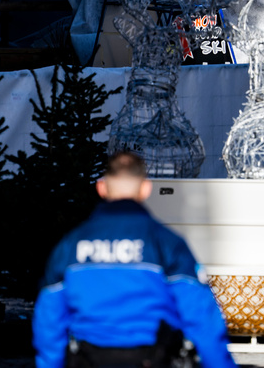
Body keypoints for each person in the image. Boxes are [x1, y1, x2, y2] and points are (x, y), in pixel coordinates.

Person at [33, 151, 237, 368]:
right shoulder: (166, 243)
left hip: (88, 359)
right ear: (146, 189)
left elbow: (49, 320)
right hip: (154, 359)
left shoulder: (69, 246)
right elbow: (201, 316)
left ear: (101, 188)